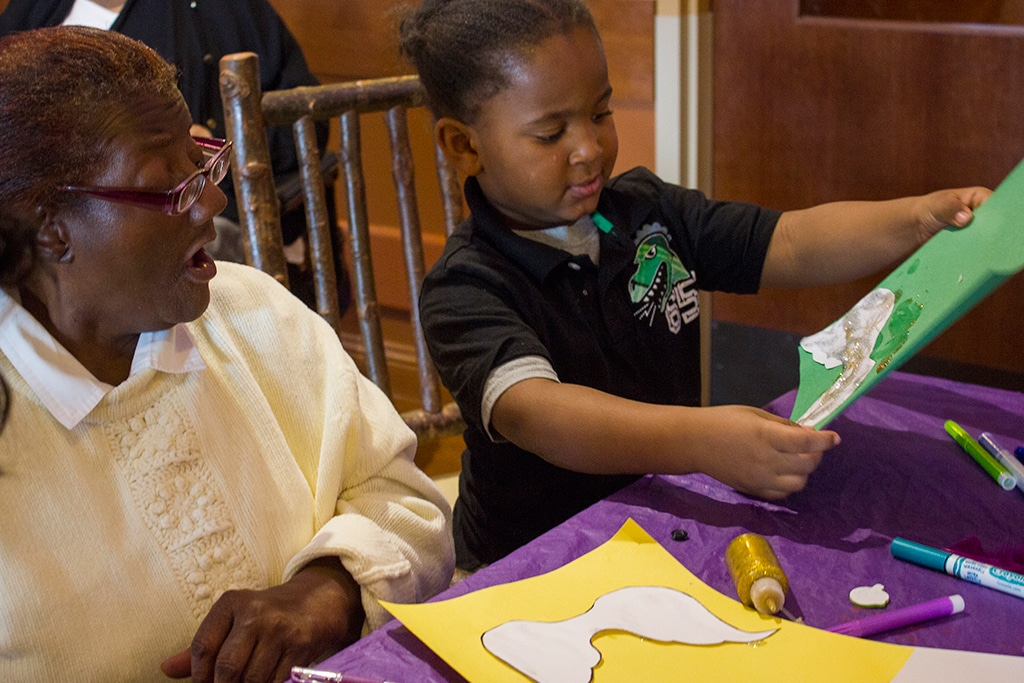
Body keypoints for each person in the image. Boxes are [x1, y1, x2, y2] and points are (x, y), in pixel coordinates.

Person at [398, 0, 992, 571]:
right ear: (464, 145)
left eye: (600, 113)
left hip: (662, 522)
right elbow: (542, 415)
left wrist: (917, 218)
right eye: (551, 133)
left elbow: (790, 242)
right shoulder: (466, 288)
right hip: (533, 563)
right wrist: (703, 441)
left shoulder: (648, 212)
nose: (590, 149)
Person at [0, 26, 453, 683]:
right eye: (172, 187)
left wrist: (327, 591)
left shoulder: (253, 315)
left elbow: (410, 505)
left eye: (202, 161)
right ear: (50, 229)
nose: (214, 198)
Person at [0, 0, 350, 311]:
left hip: (176, 211)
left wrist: (210, 149)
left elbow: (304, 123)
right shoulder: (33, 12)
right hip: (52, 218)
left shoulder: (224, 11)